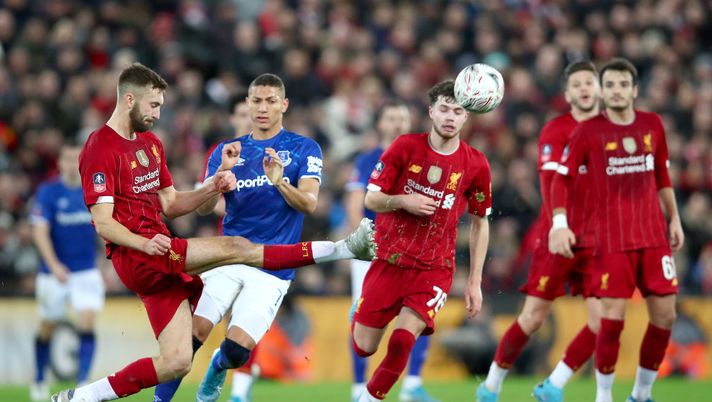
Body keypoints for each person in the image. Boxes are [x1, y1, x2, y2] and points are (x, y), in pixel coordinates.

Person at [51, 63, 375, 402]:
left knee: (178, 360)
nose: (159, 114)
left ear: (284, 104)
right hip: (142, 254)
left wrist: (214, 184)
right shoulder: (100, 146)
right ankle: (344, 249)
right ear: (129, 99)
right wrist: (144, 243)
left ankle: (83, 396)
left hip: (165, 252)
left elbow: (172, 203)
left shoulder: (150, 143)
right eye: (154, 105)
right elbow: (103, 222)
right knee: (237, 246)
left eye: (161, 105)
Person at [154, 72, 324, 402]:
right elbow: (203, 211)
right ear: (247, 104)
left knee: (236, 351)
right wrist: (217, 180)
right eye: (256, 101)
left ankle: (220, 364)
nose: (263, 108)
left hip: (272, 267)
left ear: (284, 105)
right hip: (228, 257)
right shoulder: (227, 151)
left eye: (271, 101)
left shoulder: (304, 148)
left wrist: (278, 181)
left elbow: (310, 203)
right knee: (190, 337)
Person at [549, 58, 683, 402]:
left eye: (623, 84)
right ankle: (603, 396)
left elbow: (662, 177)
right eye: (610, 85)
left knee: (666, 315)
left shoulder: (653, 124)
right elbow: (561, 179)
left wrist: (675, 218)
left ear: (634, 90)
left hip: (653, 237)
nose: (617, 91)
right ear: (602, 91)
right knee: (612, 320)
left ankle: (641, 394)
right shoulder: (588, 131)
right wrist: (560, 224)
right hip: (611, 241)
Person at [351, 80, 491, 402]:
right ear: (431, 112)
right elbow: (372, 200)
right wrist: (403, 201)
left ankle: (370, 398)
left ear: (466, 117)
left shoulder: (476, 163)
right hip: (389, 260)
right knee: (364, 346)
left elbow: (481, 222)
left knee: (402, 341)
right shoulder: (404, 147)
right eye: (444, 109)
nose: (450, 117)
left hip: (434, 267)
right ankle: (359, 316)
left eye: (458, 111)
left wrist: (475, 281)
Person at [476, 60, 603, 402]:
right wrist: (559, 224)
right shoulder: (557, 129)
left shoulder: (612, 131)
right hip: (556, 235)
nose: (584, 89)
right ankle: (491, 385)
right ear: (567, 93)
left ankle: (554, 385)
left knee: (604, 320)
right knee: (532, 317)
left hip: (598, 239)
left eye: (589, 82)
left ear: (599, 88)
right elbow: (549, 181)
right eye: (576, 84)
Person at [344, 100, 439, 402]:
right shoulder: (368, 159)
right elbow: (355, 203)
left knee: (417, 313)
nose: (397, 123)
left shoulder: (423, 158)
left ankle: (412, 383)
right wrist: (364, 242)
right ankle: (359, 385)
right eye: (391, 118)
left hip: (412, 249)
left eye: (402, 118)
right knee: (361, 315)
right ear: (380, 124)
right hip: (373, 249)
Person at [30, 142, 104, 401]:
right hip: (54, 273)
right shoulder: (48, 192)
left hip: (86, 271)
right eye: (68, 159)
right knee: (47, 327)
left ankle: (83, 382)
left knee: (86, 321)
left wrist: (107, 263)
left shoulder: (92, 191)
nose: (72, 164)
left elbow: (104, 229)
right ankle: (39, 380)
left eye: (77, 159)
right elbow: (39, 232)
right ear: (60, 163)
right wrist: (53, 265)